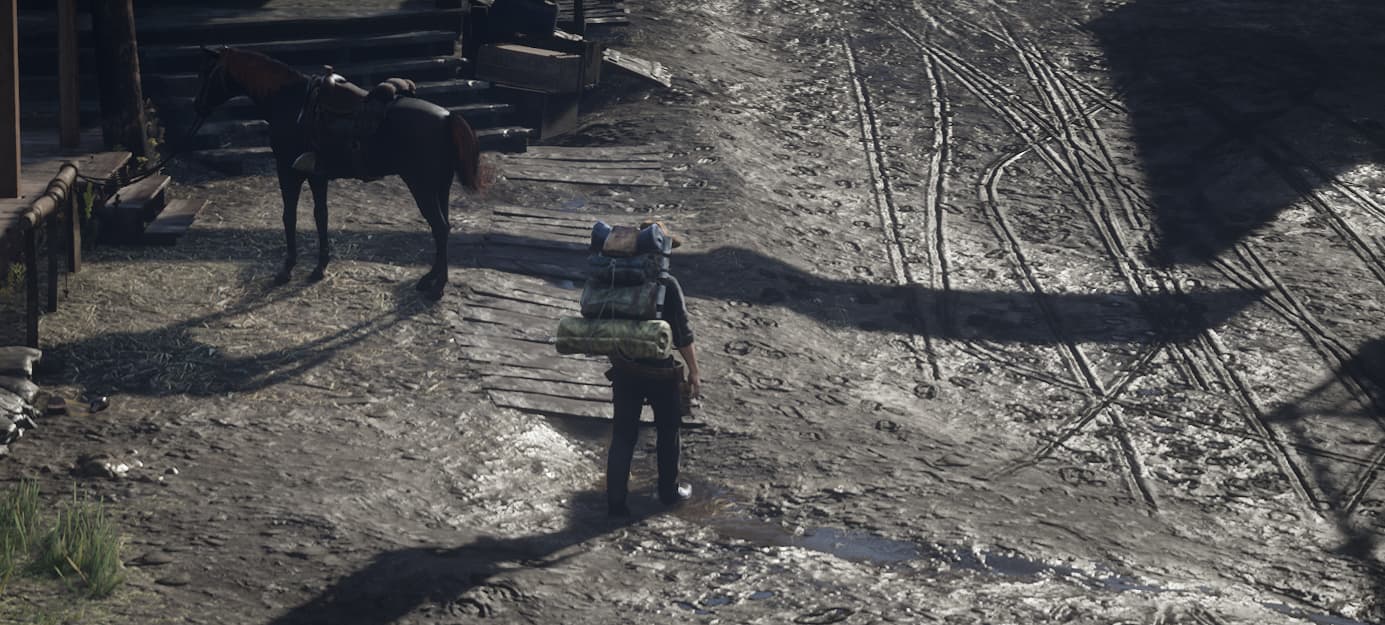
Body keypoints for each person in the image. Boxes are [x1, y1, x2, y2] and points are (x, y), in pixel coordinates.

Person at [604, 222, 702, 518]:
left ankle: (615, 501)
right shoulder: (666, 284)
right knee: (668, 430)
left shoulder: (615, 277)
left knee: (623, 435)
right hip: (659, 370)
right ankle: (669, 493)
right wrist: (694, 371)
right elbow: (682, 334)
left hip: (624, 367)